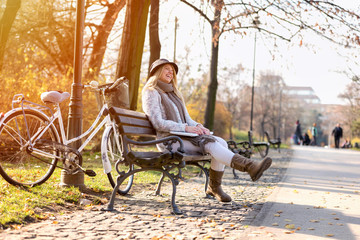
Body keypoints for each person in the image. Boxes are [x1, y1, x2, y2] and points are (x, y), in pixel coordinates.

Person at [142, 59, 272, 203]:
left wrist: (198, 126)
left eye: (172, 70)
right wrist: (185, 128)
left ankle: (214, 187)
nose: (170, 72)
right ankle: (250, 166)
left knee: (221, 142)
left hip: (183, 138)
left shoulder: (175, 94)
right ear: (157, 72)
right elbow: (157, 123)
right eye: (166, 69)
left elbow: (187, 119)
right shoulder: (151, 92)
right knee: (210, 145)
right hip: (168, 141)